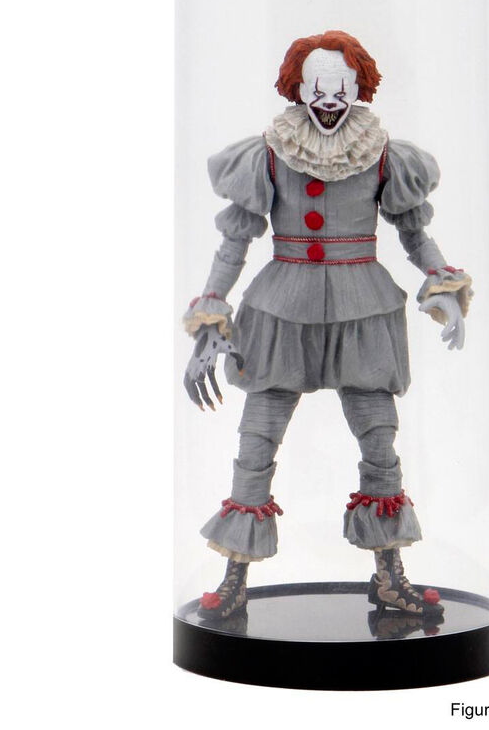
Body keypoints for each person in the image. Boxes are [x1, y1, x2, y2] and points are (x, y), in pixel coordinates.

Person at [183, 30, 473, 619]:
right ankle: (233, 579)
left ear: (358, 87)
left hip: (362, 308)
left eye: (341, 87)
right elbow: (235, 240)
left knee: (379, 439)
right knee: (256, 441)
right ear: (299, 88)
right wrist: (211, 310)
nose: (330, 101)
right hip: (281, 310)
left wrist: (441, 282)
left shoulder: (382, 153)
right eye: (318, 88)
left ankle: (389, 575)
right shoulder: (270, 152)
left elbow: (413, 232)